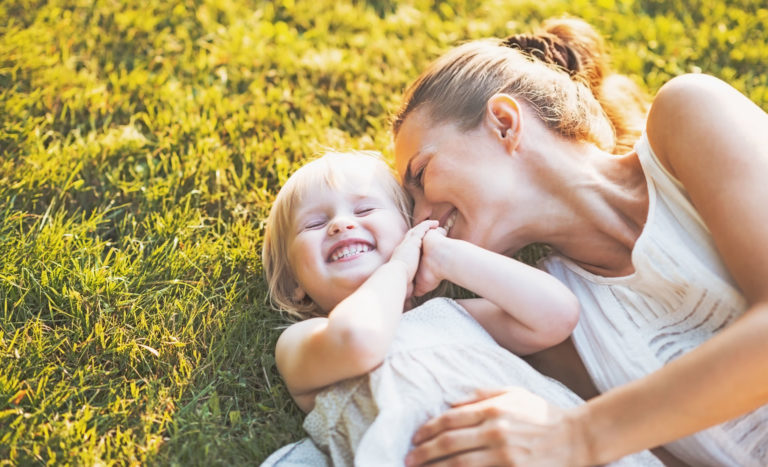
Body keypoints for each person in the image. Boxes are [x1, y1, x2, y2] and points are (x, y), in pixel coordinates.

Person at [392, 15, 768, 467]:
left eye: (421, 174)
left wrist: (580, 435)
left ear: (504, 123)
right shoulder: (552, 329)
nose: (420, 216)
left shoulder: (690, 114)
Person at [258, 151, 661, 466]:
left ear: (407, 229)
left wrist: (447, 256)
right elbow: (361, 339)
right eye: (314, 224)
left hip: (541, 446)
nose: (341, 225)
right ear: (297, 288)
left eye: (364, 211)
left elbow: (557, 314)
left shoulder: (452, 315)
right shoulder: (305, 341)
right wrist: (399, 266)